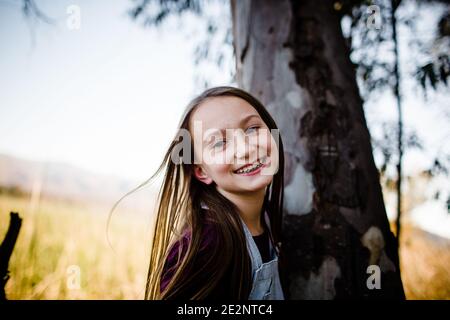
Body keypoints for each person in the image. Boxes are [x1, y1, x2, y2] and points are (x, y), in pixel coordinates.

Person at [144, 86, 286, 300]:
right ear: (201, 171)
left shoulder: (267, 219)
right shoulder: (208, 243)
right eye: (220, 143)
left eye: (252, 129)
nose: (246, 149)